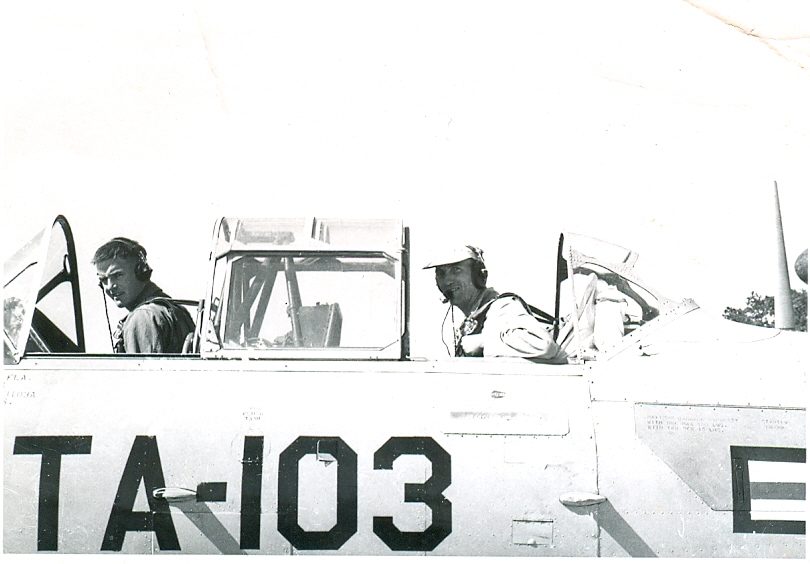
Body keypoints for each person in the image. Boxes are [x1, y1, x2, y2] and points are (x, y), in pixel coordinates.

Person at [424, 245, 566, 362]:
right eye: (441, 273)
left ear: (478, 275)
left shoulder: (502, 308)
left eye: (457, 270)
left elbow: (543, 345)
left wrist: (483, 342)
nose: (448, 281)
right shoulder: (475, 317)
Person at [93, 237, 194, 353]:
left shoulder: (143, 317)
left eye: (118, 275)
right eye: (104, 280)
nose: (110, 286)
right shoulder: (172, 307)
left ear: (141, 272)